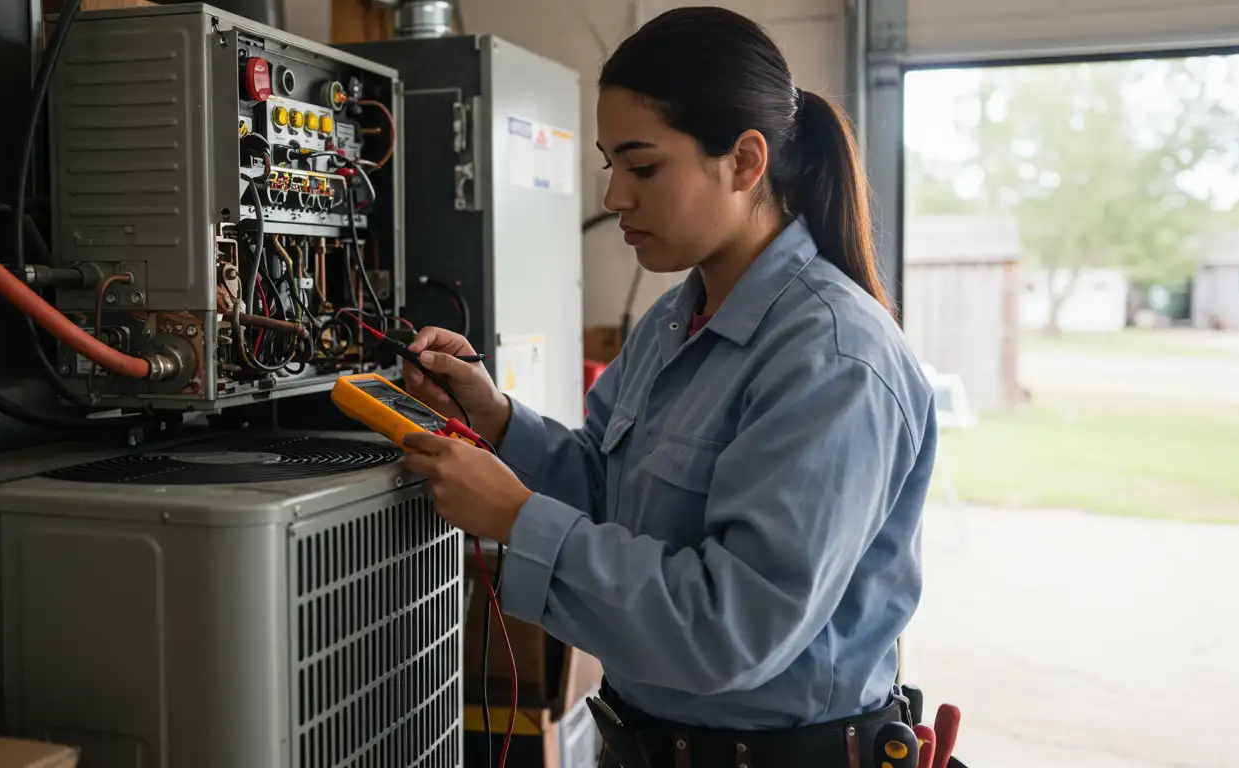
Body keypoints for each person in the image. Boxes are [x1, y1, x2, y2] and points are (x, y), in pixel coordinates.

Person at [398, 7, 937, 767]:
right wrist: (494, 415)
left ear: (745, 162)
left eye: (642, 166)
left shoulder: (833, 357)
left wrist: (518, 519)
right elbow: (608, 487)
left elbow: (732, 629)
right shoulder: (674, 319)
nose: (615, 196)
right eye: (608, 164)